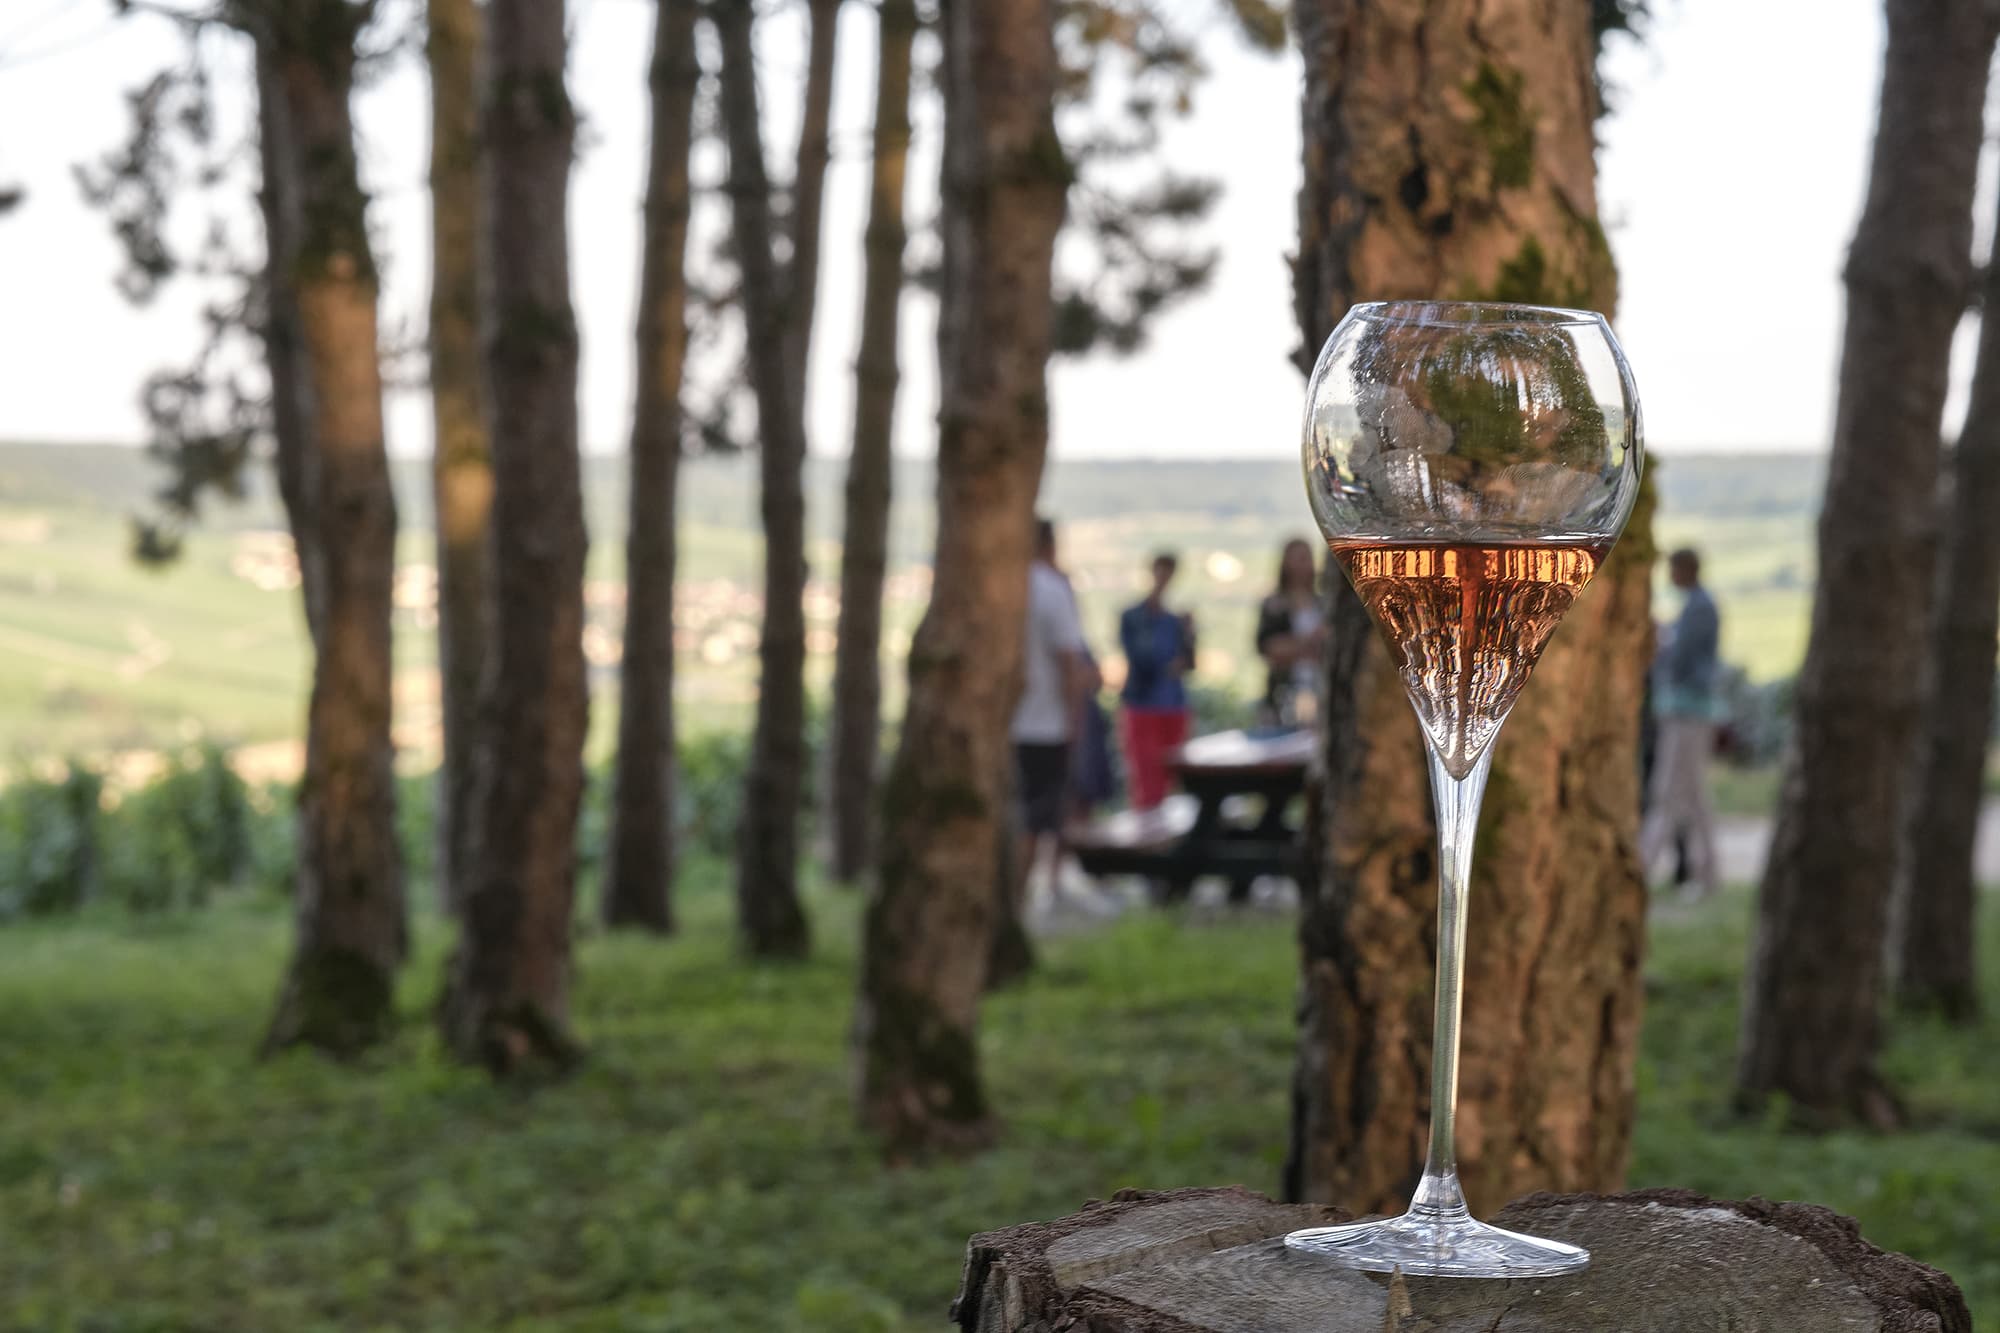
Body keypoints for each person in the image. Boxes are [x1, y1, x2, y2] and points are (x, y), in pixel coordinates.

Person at [1011, 517, 1096, 903]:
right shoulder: (1051, 589)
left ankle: (1016, 899)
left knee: (1021, 816)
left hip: (1009, 726)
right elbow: (1068, 662)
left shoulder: (1001, 587)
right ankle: (1021, 900)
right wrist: (1075, 718)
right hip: (1047, 725)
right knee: (1039, 818)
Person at [1641, 547, 1721, 900]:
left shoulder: (1700, 608)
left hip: (1687, 712)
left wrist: (1659, 644)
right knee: (1693, 795)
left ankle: (1643, 865)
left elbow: (1682, 659)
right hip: (1687, 710)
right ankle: (1707, 872)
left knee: (1669, 789)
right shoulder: (1697, 605)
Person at [1118, 552, 1195, 811]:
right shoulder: (1133, 617)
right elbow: (1139, 659)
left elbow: (1188, 663)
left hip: (1172, 705)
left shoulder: (1175, 621)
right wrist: (1168, 666)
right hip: (1142, 705)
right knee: (1146, 779)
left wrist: (1189, 635)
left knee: (1171, 781)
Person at [1254, 537, 1327, 727]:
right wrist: (1309, 643)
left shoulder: (1322, 604)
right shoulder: (1275, 606)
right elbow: (1269, 648)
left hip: (1319, 691)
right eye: (1299, 558)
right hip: (1284, 695)